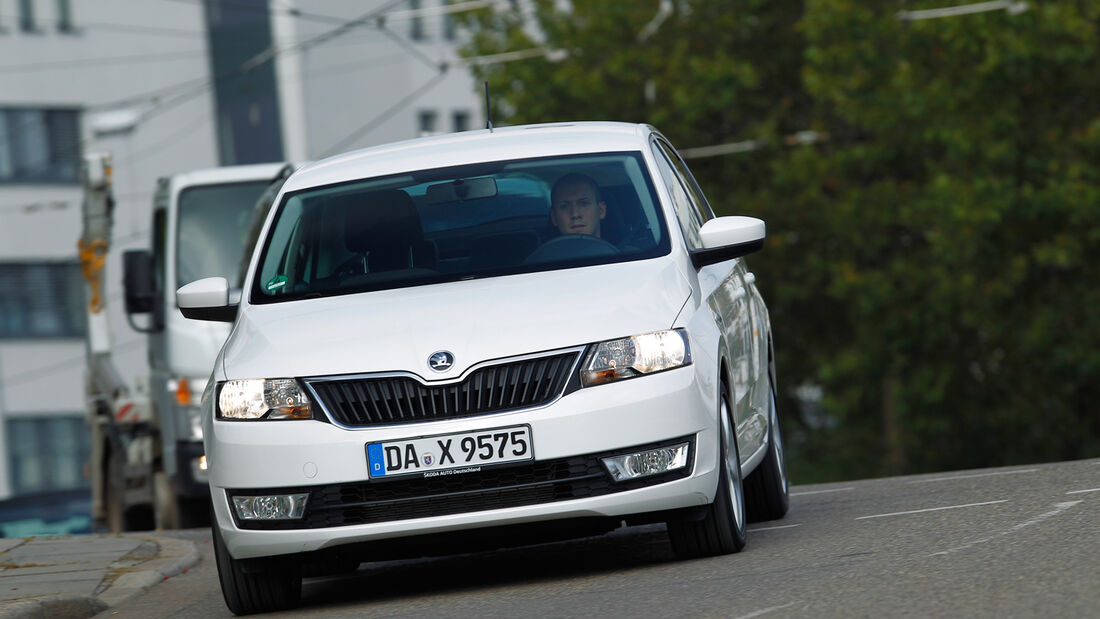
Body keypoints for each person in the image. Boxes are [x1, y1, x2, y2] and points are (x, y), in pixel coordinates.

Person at [549, 173, 607, 238]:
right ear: (554, 217)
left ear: (601, 210)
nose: (575, 214)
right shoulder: (545, 249)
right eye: (564, 206)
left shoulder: (619, 248)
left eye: (584, 203)